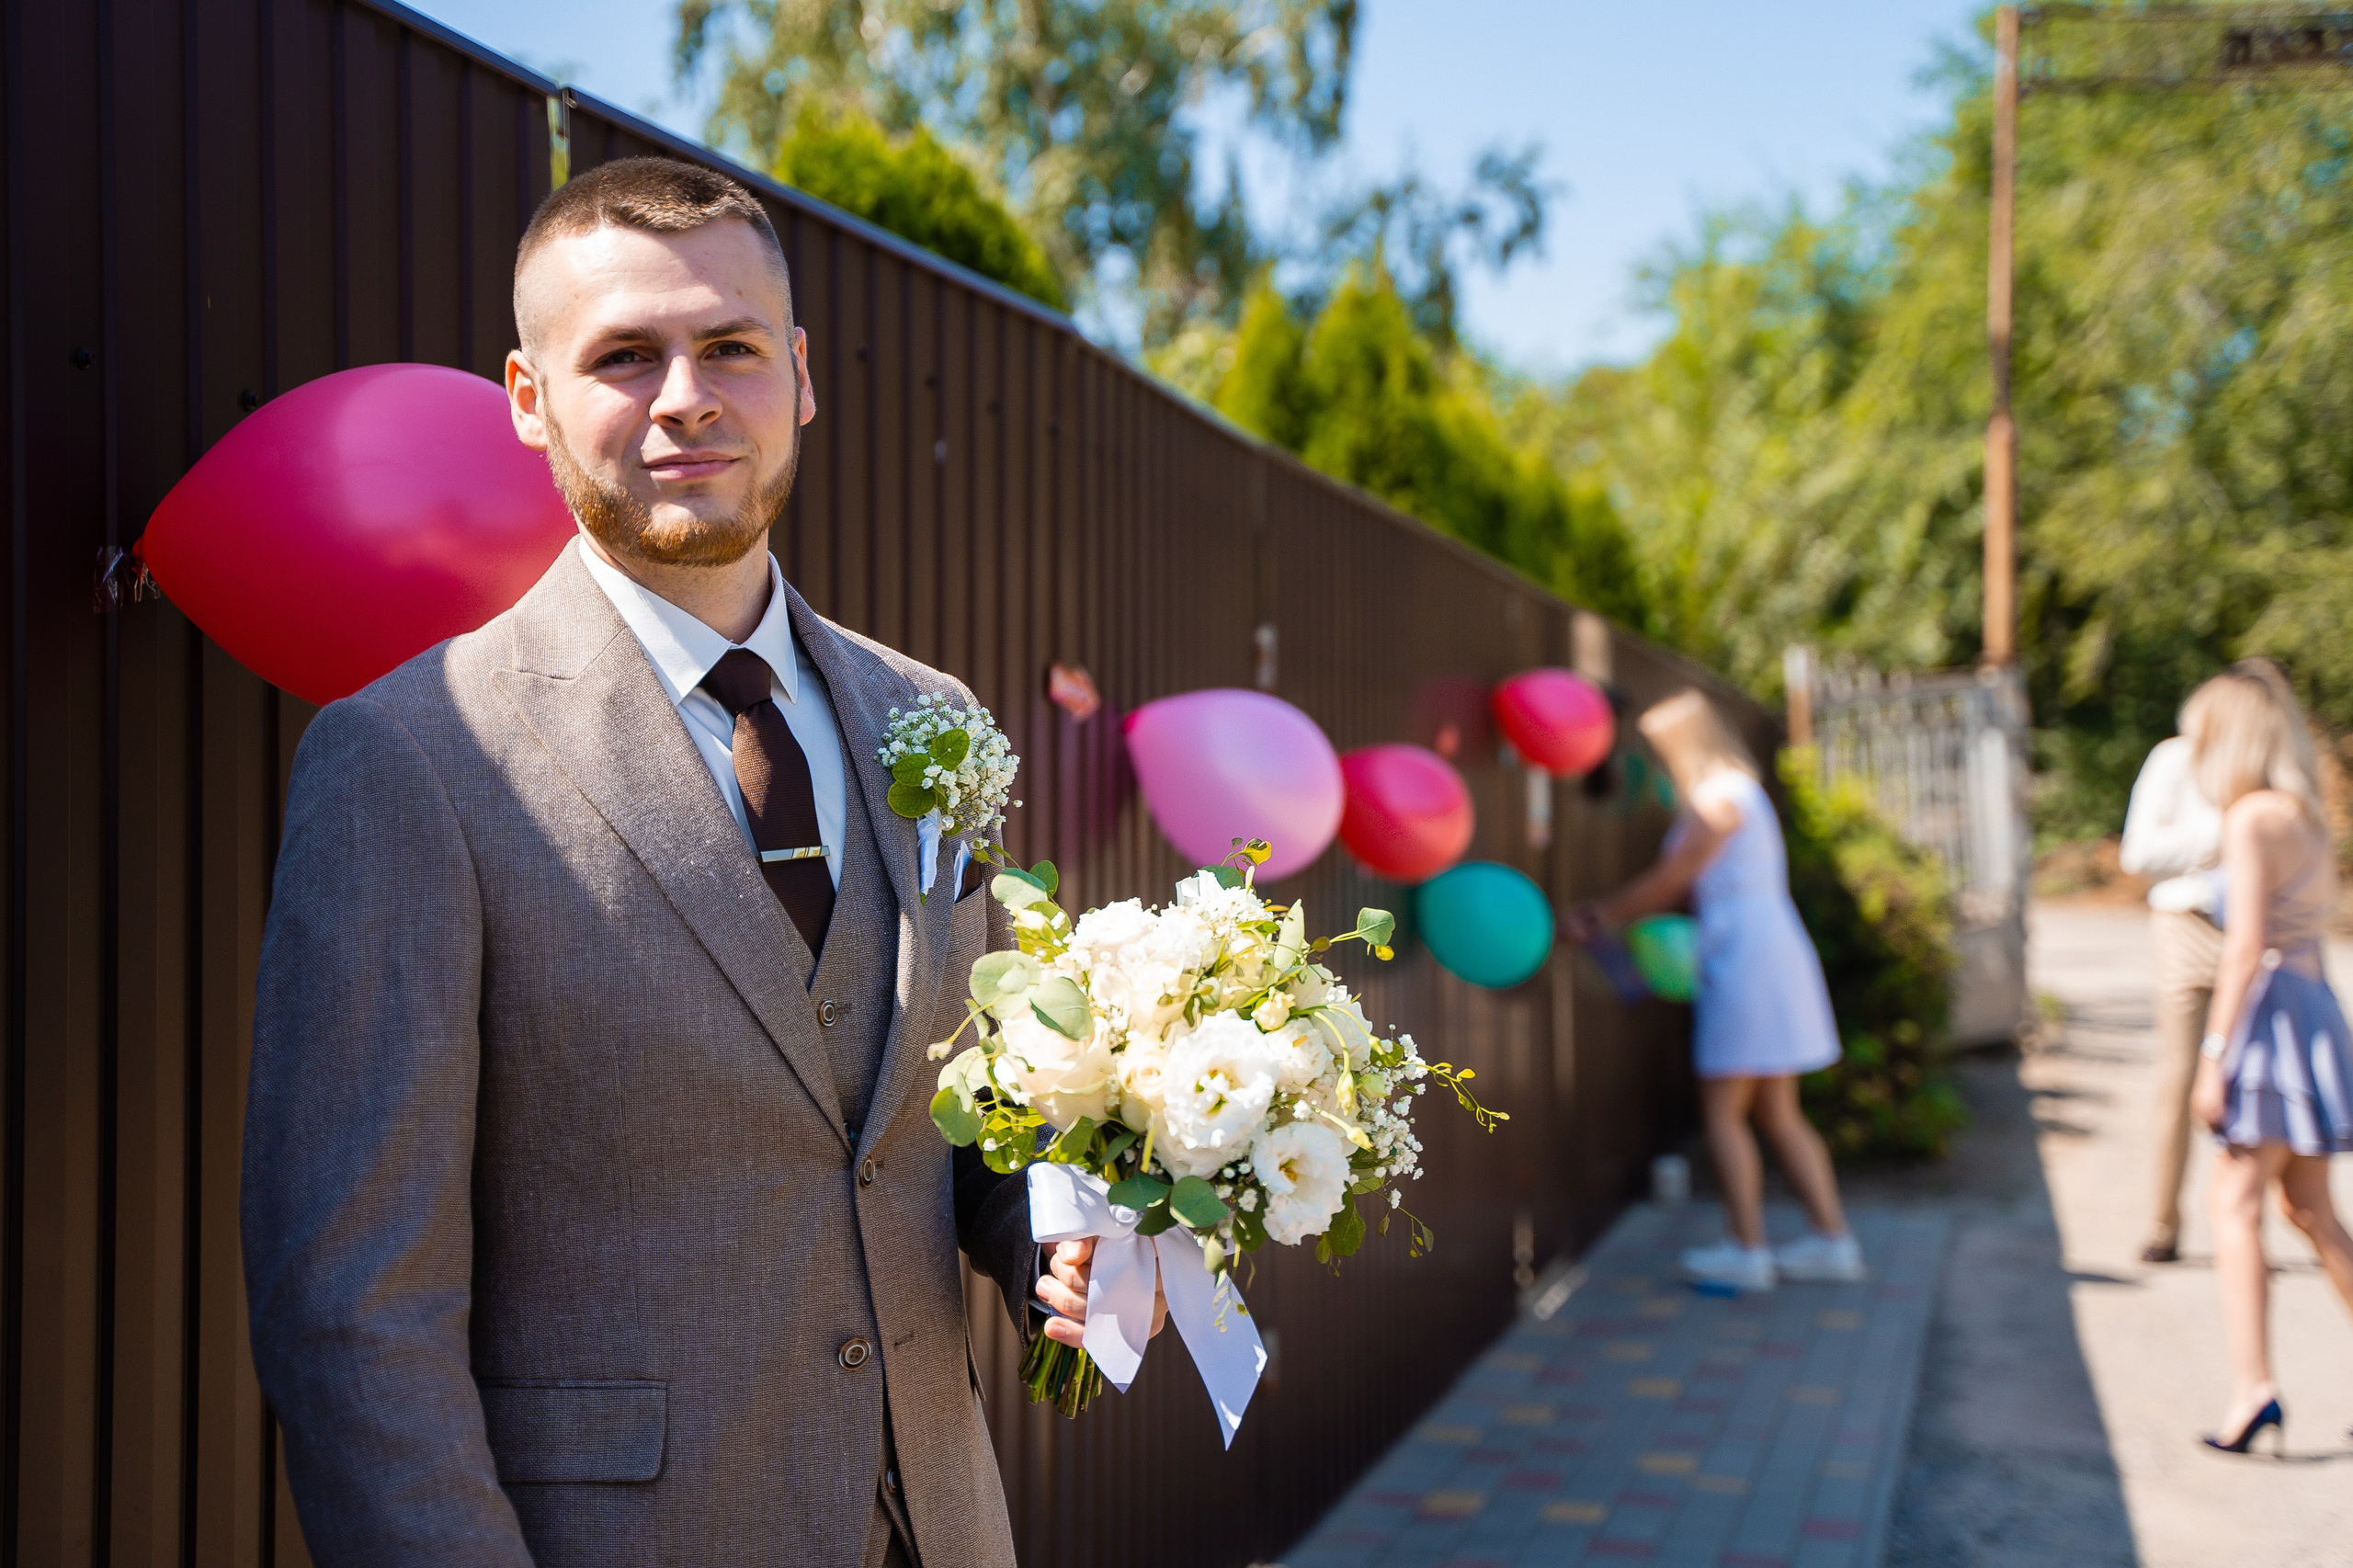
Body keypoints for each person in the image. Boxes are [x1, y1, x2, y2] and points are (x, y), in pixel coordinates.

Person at [241, 157, 1146, 1568]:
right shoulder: (413, 761)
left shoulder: (936, 721)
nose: (684, 395)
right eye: (623, 355)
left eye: (728, 344)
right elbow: (354, 1307)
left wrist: (1063, 1233)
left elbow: (956, 1122)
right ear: (531, 401)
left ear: (796, 373)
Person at [1570, 690, 1860, 1292]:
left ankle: (1747, 1249)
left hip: (1746, 962)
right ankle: (1833, 1241)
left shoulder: (1717, 799)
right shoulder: (1740, 792)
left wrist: (1600, 916)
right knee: (1779, 1111)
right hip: (1770, 953)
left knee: (1724, 1110)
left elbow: (1674, 879)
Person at [2181, 659, 2353, 1455]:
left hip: (2268, 1016)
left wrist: (2213, 1055)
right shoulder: (2305, 814)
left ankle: (2254, 1390)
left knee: (2235, 1203)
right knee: (2312, 1211)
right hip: (2312, 1008)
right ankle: (2255, 1389)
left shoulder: (2251, 817)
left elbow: (2247, 944)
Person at [2120, 704, 2226, 1263]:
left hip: (2254, 930)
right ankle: (2163, 1220)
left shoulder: (2269, 766)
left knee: (2258, 1079)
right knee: (2180, 1077)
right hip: (2186, 925)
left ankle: (2246, 1214)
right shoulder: (2174, 760)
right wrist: (2219, 834)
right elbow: (2137, 853)